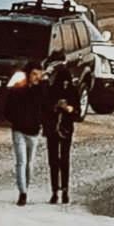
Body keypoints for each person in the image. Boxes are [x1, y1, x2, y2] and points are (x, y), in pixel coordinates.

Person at [3, 62, 46, 205]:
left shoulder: (41, 90)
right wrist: (16, 120)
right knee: (21, 162)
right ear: (28, 74)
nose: (37, 77)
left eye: (39, 74)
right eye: (34, 74)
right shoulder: (18, 89)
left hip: (33, 132)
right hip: (19, 130)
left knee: (30, 164)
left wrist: (40, 123)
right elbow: (7, 109)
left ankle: (25, 187)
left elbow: (46, 108)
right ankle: (23, 192)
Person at [42, 72, 80, 204]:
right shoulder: (51, 91)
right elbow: (45, 109)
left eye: (67, 83)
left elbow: (78, 113)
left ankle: (65, 190)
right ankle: (54, 191)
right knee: (53, 161)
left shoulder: (73, 92)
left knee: (64, 160)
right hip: (53, 129)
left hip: (66, 129)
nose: (65, 85)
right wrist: (55, 107)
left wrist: (70, 109)